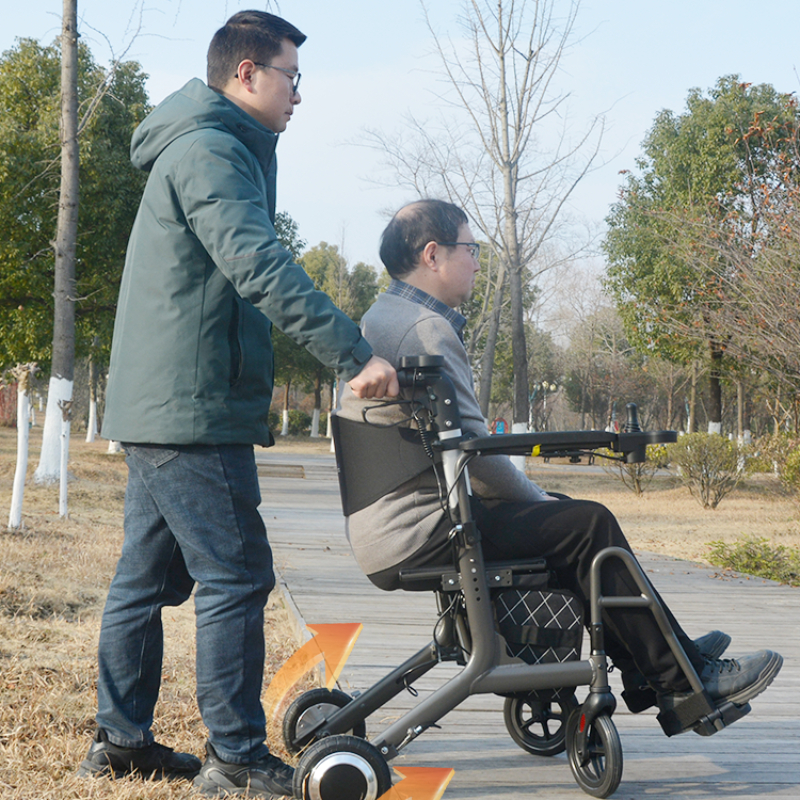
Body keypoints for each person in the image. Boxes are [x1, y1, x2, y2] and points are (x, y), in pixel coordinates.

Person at [78, 11, 398, 798]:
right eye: (291, 77)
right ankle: (237, 759)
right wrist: (353, 354)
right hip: (192, 406)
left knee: (143, 581)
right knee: (237, 575)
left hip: (162, 403)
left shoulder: (205, 144)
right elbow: (260, 265)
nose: (299, 96)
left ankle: (120, 742)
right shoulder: (212, 151)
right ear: (247, 74)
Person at [337, 198, 782, 731]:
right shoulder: (425, 330)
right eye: (470, 249)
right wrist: (536, 496)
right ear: (432, 255)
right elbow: (474, 451)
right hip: (423, 529)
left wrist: (541, 500)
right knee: (587, 523)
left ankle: (659, 665)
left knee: (571, 519)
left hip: (394, 524)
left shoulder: (382, 316)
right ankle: (681, 681)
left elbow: (460, 448)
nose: (478, 262)